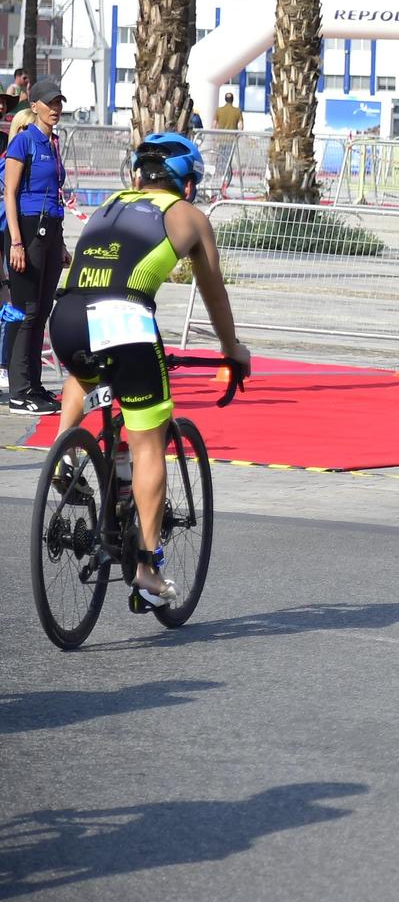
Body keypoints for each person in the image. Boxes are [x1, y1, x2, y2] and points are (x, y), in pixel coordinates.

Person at [49, 134, 252, 607]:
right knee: (149, 443)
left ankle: (65, 450)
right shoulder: (188, 217)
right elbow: (214, 293)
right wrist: (232, 348)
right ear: (187, 183)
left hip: (68, 318)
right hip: (124, 322)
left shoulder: (109, 205)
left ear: (139, 176)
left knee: (85, 371)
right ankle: (146, 565)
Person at [3, 79, 68, 413]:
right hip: (27, 229)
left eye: (59, 103)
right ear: (36, 106)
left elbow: (55, 193)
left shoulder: (54, 142)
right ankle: (19, 390)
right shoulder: (24, 141)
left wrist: (61, 243)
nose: (56, 108)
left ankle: (35, 386)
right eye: (50, 103)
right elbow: (10, 194)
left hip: (50, 229)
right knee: (27, 312)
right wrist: (16, 241)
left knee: (42, 311)